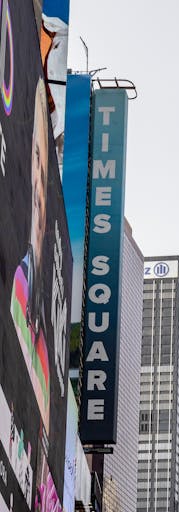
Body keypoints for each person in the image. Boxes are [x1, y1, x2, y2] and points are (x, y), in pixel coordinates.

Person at [10, 79, 52, 434]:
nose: (38, 182)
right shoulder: (15, 284)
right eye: (35, 159)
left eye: (43, 165)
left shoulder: (47, 349)